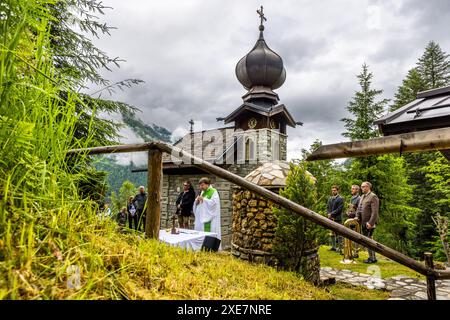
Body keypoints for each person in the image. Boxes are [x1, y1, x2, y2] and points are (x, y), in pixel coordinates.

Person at [356, 181, 380, 264]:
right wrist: (357, 217)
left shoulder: (373, 196)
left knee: (369, 240)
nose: (362, 188)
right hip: (362, 222)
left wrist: (371, 223)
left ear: (368, 187)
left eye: (363, 187)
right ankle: (372, 257)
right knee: (368, 240)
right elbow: (359, 208)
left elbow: (375, 212)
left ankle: (372, 258)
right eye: (361, 187)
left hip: (369, 223)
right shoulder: (362, 196)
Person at [193, 177, 221, 246]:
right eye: (200, 185)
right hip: (201, 218)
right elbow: (199, 203)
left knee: (210, 232)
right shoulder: (203, 192)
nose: (200, 187)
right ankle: (202, 246)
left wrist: (204, 200)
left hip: (210, 218)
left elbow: (214, 204)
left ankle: (210, 247)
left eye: (202, 185)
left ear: (207, 184)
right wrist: (197, 201)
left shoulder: (213, 191)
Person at [327, 185, 344, 253]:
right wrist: (328, 214)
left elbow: (339, 209)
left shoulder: (340, 198)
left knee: (339, 234)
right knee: (332, 233)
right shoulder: (330, 198)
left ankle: (340, 248)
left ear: (337, 191)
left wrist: (331, 214)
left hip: (338, 218)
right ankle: (333, 247)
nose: (333, 191)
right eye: (332, 190)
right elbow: (327, 207)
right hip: (330, 218)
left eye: (334, 190)